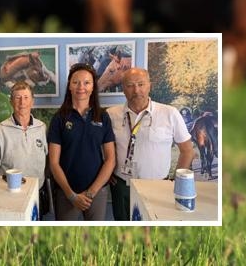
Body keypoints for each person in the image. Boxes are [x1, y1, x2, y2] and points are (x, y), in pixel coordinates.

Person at [107, 67, 194, 221]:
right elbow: (103, 147)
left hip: (158, 186)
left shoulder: (170, 113)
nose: (136, 90)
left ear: (149, 85)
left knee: (154, 231)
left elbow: (187, 150)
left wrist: (176, 181)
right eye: (130, 85)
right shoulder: (111, 114)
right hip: (121, 186)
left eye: (141, 84)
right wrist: (106, 174)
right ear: (123, 89)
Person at [47, 63, 116, 221]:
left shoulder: (102, 117)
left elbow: (111, 160)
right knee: (66, 239)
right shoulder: (59, 118)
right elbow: (54, 163)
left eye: (87, 82)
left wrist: (91, 192)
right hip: (67, 192)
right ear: (69, 86)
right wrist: (71, 195)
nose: (81, 87)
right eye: (76, 82)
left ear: (93, 87)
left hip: (97, 192)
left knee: (96, 240)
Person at [0, 81, 47, 190]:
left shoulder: (41, 128)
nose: (22, 102)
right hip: (9, 191)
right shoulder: (1, 129)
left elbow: (49, 160)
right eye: (17, 98)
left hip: (37, 191)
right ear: (11, 102)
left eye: (26, 97)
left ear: (32, 102)